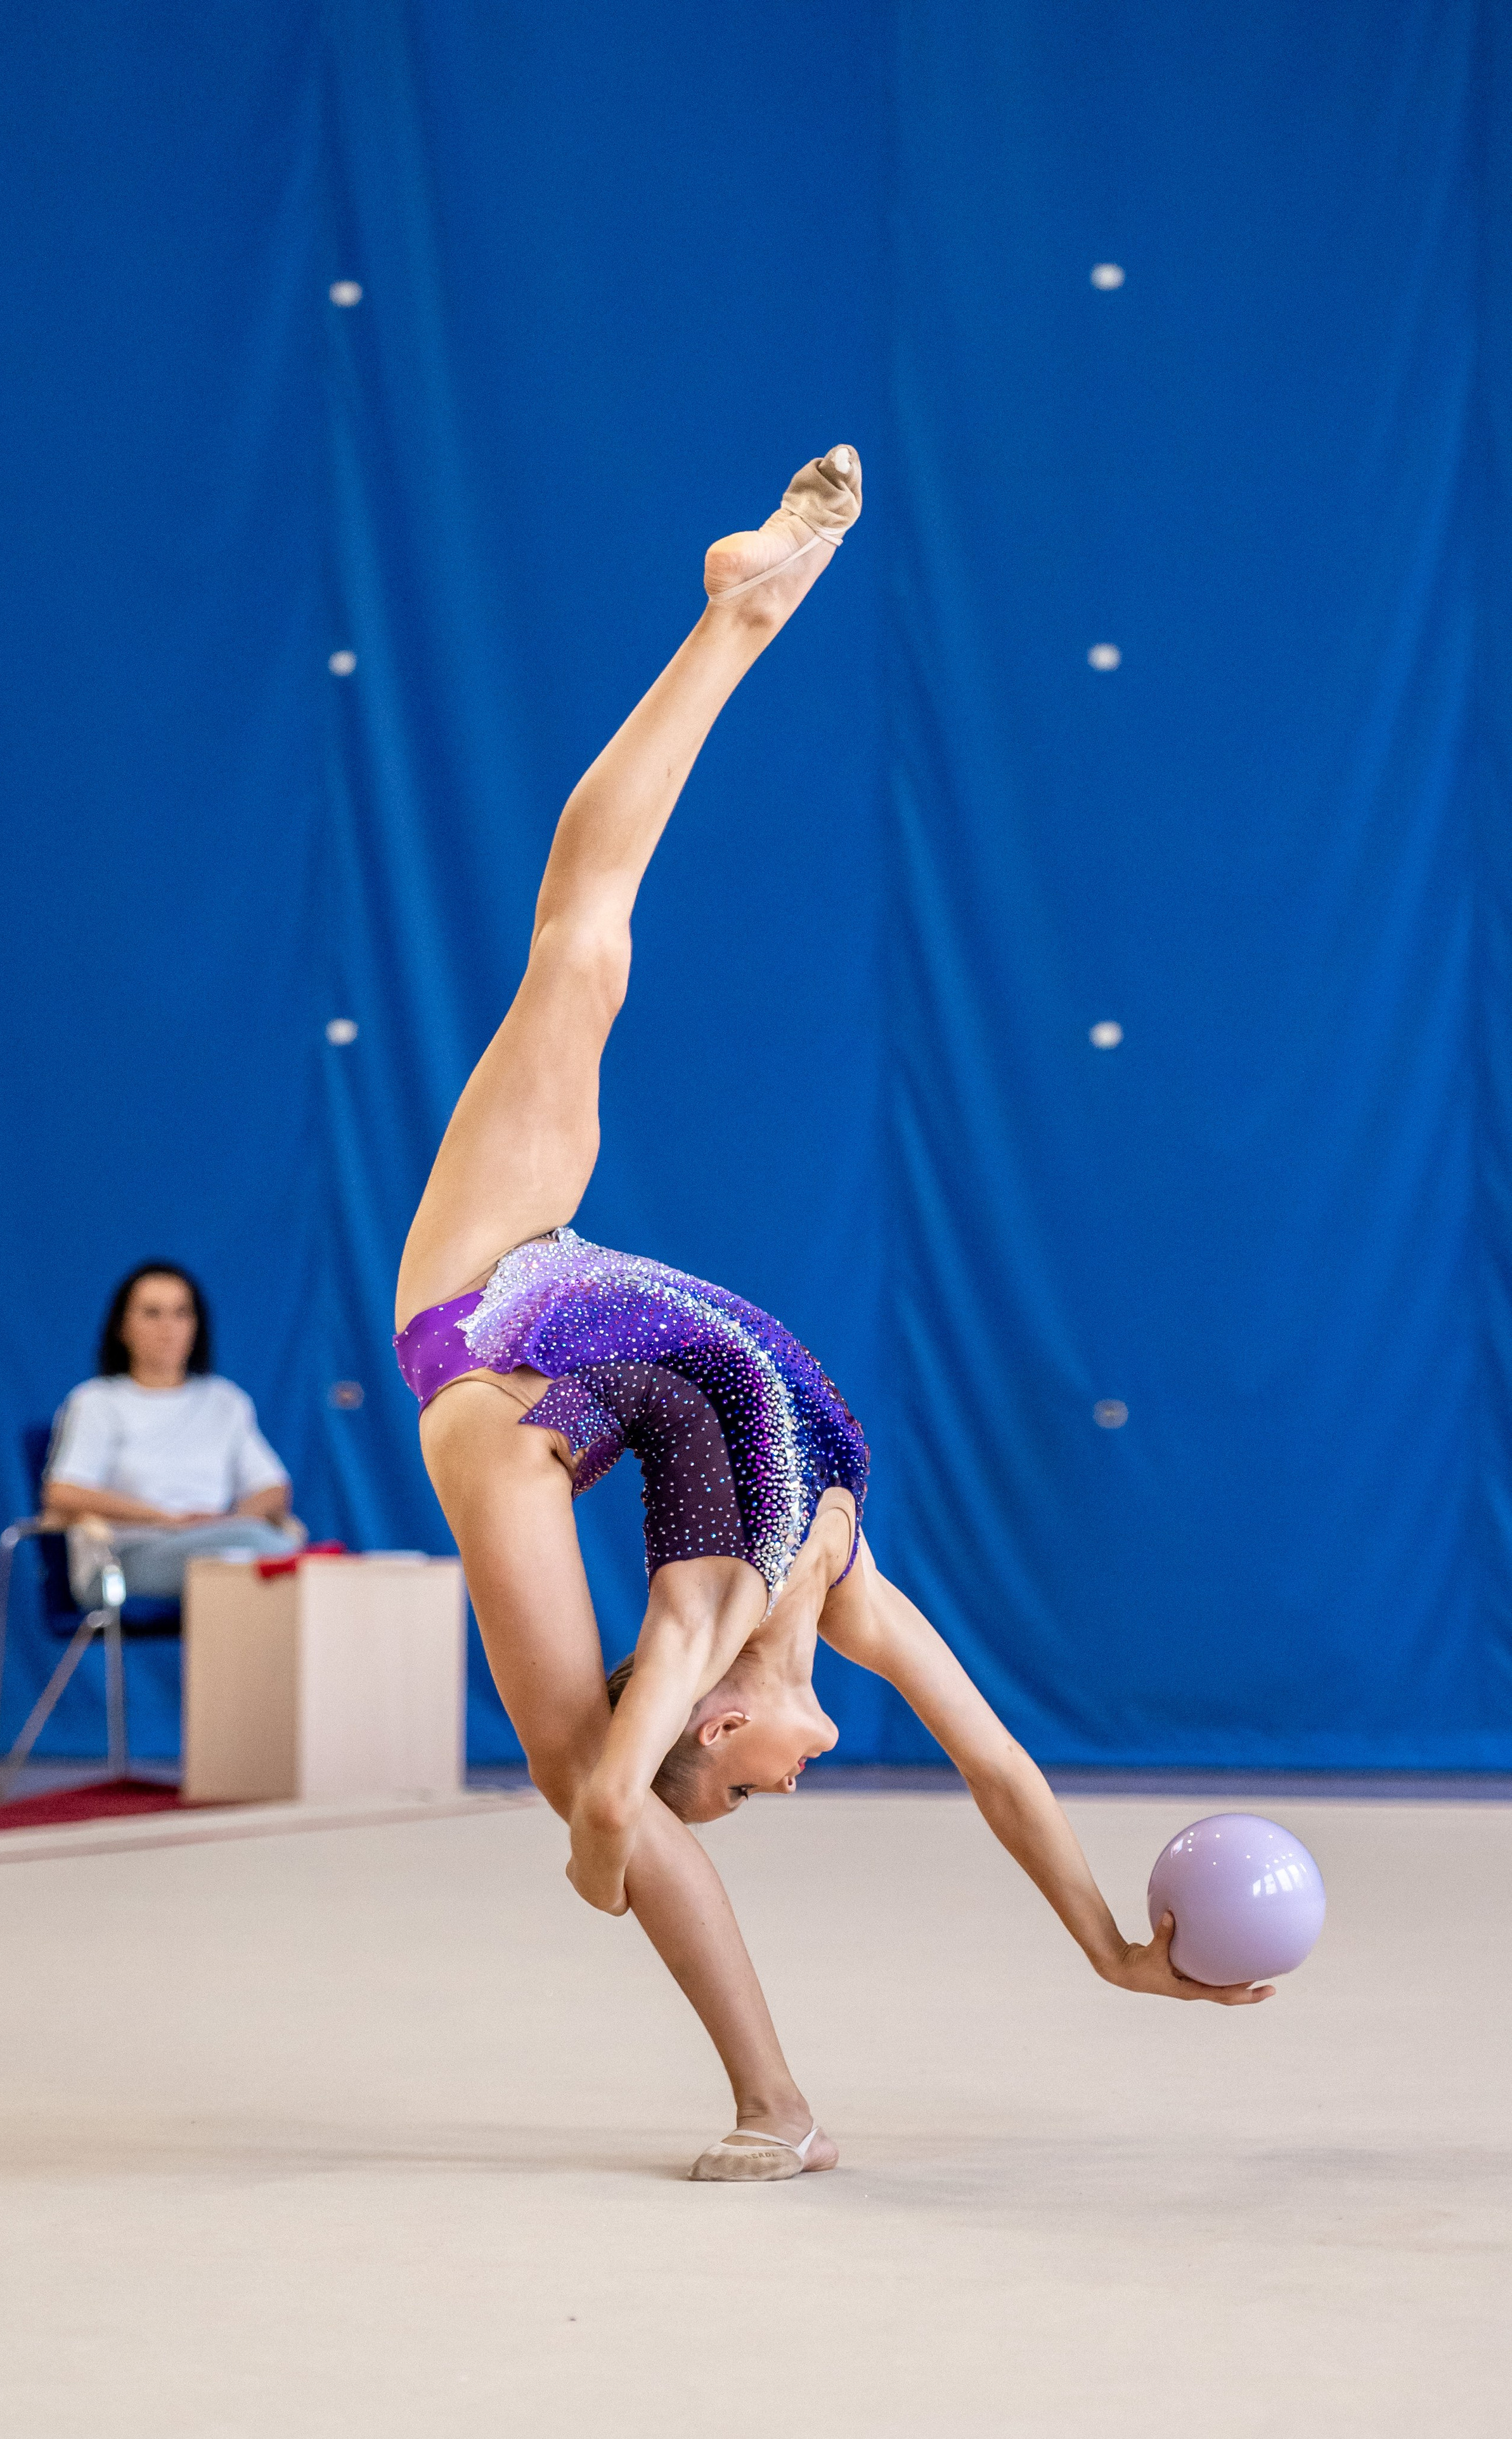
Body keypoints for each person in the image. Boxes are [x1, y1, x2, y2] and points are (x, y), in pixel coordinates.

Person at [395, 448, 1272, 2189]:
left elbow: (608, 1798)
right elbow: (1005, 1762)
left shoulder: (705, 1619)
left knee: (578, 947)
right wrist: (1106, 1943)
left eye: (754, 1786)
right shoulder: (842, 1588)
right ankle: (734, 614)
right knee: (588, 955)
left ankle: (773, 2100)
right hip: (615, 1322)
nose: (802, 1776)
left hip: (492, 1335)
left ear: (725, 1721)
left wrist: (606, 1815)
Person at [44, 1262, 304, 1601]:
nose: (168, 1328)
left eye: (181, 1313)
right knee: (270, 1561)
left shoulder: (224, 1400)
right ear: (122, 1327)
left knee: (252, 1560)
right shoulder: (96, 1401)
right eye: (152, 1314)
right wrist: (164, 1519)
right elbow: (63, 1492)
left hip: (223, 1542)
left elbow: (273, 1489)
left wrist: (224, 1521)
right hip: (123, 1559)